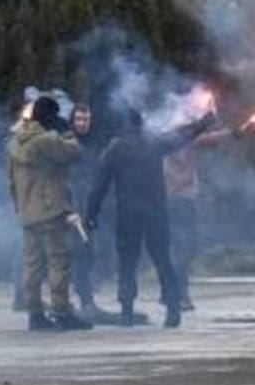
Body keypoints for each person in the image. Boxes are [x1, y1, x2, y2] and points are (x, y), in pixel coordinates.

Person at [85, 108, 239, 328]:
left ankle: (127, 311)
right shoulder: (153, 143)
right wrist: (203, 123)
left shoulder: (115, 149)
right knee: (163, 261)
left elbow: (99, 186)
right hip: (157, 212)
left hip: (129, 214)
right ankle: (173, 308)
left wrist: (91, 215)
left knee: (128, 264)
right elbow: (181, 136)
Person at [7, 95, 91, 331]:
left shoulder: (16, 142)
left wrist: (19, 205)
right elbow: (74, 153)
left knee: (32, 265)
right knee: (59, 262)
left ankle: (35, 314)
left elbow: (11, 181)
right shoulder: (46, 140)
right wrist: (67, 132)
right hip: (51, 209)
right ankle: (62, 312)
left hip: (27, 211)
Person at [68, 102, 118, 323]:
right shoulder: (65, 143)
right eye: (78, 119)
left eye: (85, 119)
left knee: (89, 254)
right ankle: (82, 301)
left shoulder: (96, 144)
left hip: (92, 206)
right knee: (77, 255)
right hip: (71, 208)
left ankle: (85, 299)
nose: (82, 123)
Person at [163, 145, 200, 311]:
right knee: (183, 247)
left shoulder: (188, 141)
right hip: (177, 201)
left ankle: (170, 290)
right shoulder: (168, 143)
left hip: (180, 200)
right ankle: (178, 292)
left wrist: (237, 132)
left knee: (182, 248)